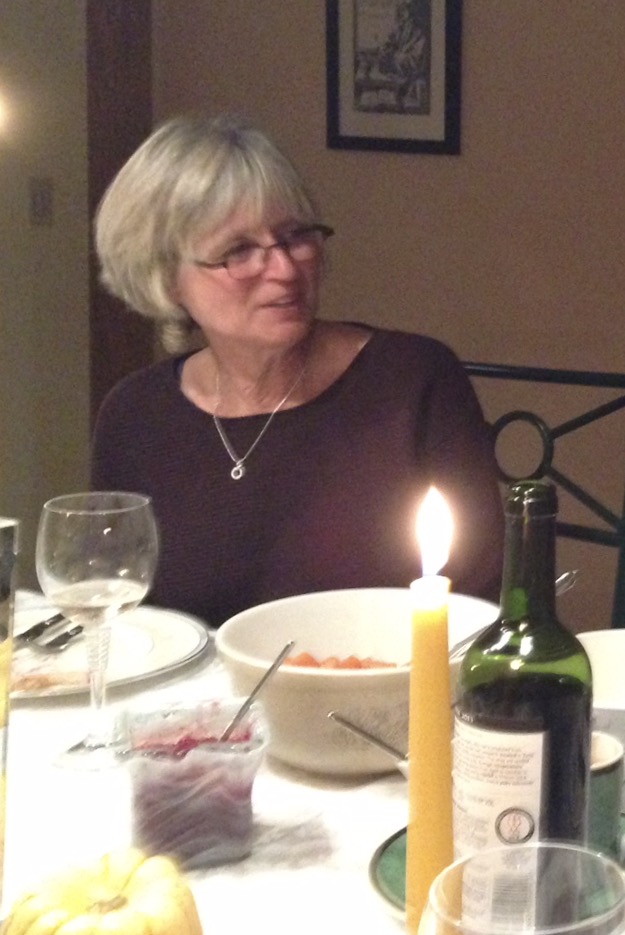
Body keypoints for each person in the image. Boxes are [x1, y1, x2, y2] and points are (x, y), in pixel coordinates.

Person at [91, 114, 504, 627]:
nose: (285, 269)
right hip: (196, 684)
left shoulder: (414, 382)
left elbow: (478, 603)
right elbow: (122, 618)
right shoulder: (135, 415)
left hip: (382, 677)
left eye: (295, 236)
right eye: (238, 251)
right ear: (166, 278)